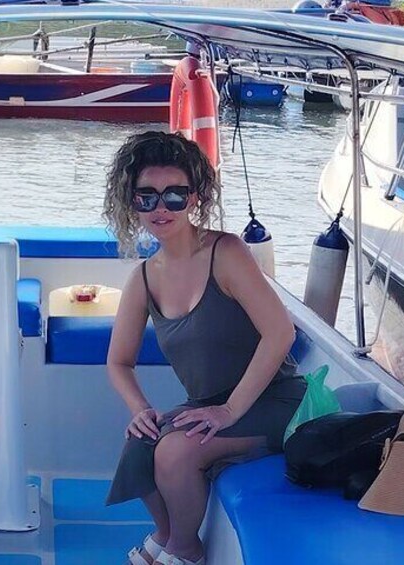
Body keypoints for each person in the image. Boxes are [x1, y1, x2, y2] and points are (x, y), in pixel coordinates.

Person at [102, 131, 306, 565]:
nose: (161, 208)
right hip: (208, 404)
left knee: (175, 450)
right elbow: (118, 362)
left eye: (175, 195)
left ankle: (185, 549)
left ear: (194, 198)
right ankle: (166, 533)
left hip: (275, 401)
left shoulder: (225, 252)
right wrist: (141, 409)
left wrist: (228, 411)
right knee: (140, 442)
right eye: (147, 197)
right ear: (131, 202)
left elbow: (280, 333)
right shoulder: (143, 278)